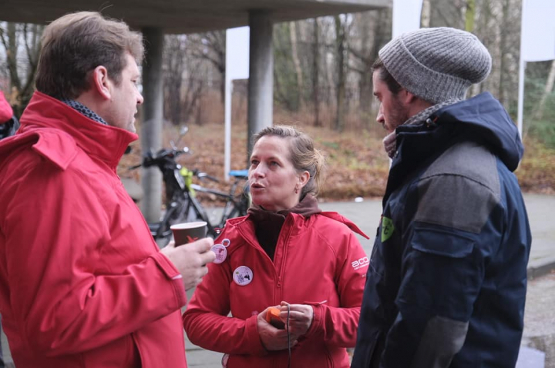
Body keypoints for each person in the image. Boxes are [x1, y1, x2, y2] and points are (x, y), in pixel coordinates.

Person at [0, 12, 215, 368]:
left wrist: (158, 262)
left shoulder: (82, 159)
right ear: (102, 80)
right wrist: (166, 275)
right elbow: (54, 320)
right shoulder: (56, 170)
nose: (140, 97)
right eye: (134, 81)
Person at [351, 27, 532, 368]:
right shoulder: (442, 164)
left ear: (406, 91)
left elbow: (431, 326)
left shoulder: (454, 180)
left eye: (379, 97)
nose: (378, 115)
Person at [183, 125, 369, 367]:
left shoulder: (337, 237)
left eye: (273, 164)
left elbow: (371, 320)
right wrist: (252, 334)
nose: (257, 173)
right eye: (254, 162)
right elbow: (196, 321)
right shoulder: (231, 241)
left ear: (301, 180)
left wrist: (318, 320)